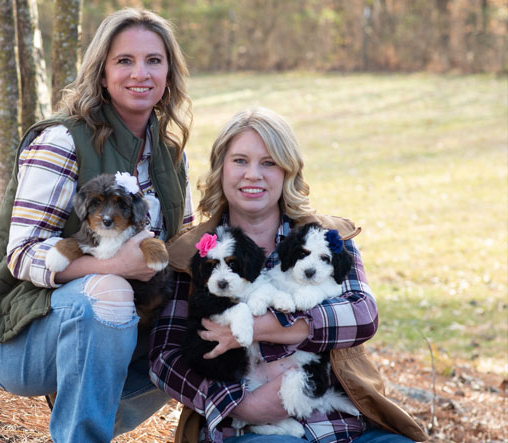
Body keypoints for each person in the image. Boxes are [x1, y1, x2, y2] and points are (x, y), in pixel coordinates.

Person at [0, 8, 194, 441]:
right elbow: (22, 255)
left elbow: (181, 246)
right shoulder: (62, 141)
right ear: (102, 73)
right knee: (109, 291)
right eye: (124, 60)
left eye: (154, 60)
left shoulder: (168, 155)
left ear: (169, 73)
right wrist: (115, 267)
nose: (140, 73)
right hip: (19, 333)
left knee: (202, 314)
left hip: (118, 327)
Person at [149, 108, 428, 443]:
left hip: (343, 424)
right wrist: (242, 405)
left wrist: (262, 328)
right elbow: (164, 358)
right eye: (240, 161)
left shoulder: (326, 238)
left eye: (268, 162)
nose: (253, 174)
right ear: (221, 168)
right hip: (252, 429)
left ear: (288, 171)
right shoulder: (192, 254)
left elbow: (362, 314)